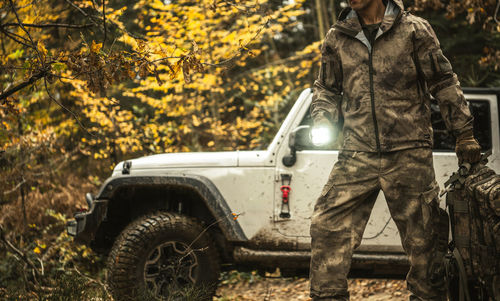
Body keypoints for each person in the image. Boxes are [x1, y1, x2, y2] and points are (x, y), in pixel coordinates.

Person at [309, 0, 482, 300]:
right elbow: (326, 88)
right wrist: (322, 118)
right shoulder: (337, 37)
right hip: (356, 153)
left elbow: (442, 81)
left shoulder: (414, 29)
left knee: (426, 243)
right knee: (326, 226)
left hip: (408, 153)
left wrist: (464, 133)